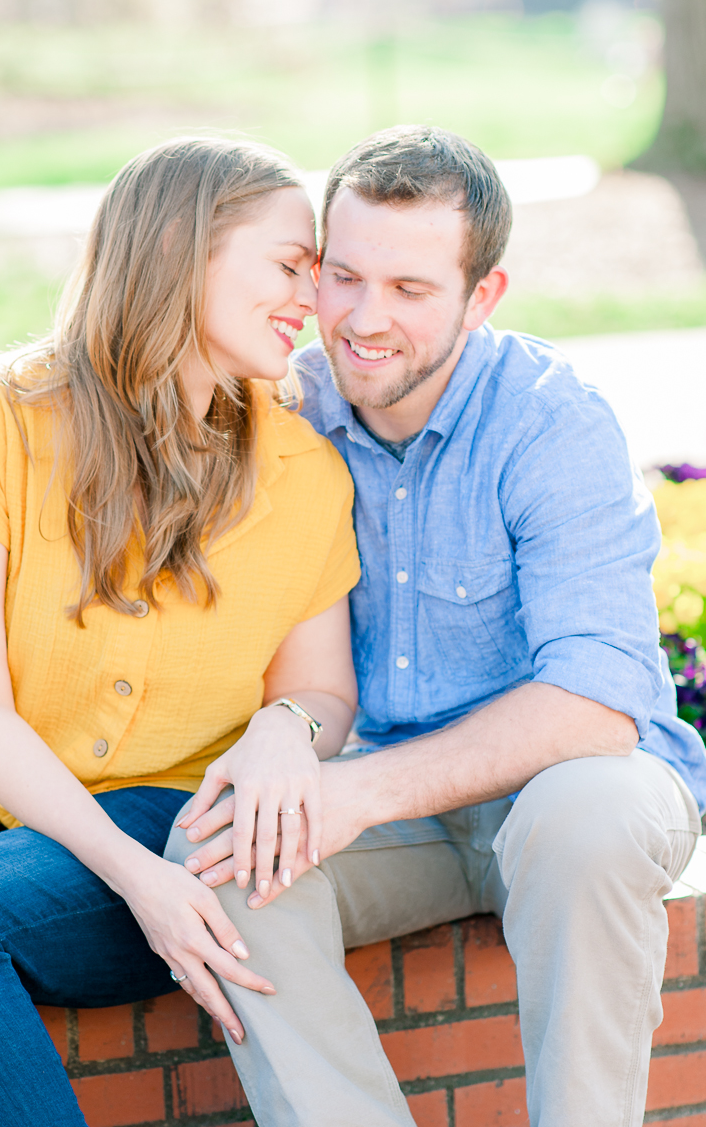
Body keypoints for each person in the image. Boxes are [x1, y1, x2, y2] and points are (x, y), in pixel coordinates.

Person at [162, 126, 706, 1127]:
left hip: (564, 789)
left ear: (481, 297)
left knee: (581, 815)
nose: (365, 321)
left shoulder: (550, 422)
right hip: (399, 815)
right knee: (225, 861)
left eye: (411, 290)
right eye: (343, 277)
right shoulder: (285, 411)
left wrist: (359, 789)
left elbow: (598, 698)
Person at [0, 137, 361, 1127]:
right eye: (288, 263)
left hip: (182, 824)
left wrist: (285, 729)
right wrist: (134, 881)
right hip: (3, 822)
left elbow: (323, 692)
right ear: (183, 251)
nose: (310, 296)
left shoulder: (303, 465)